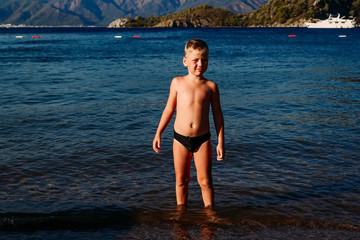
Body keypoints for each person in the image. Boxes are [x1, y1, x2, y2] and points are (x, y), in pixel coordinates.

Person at [153, 39, 224, 208]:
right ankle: (181, 216)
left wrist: (220, 142)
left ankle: (210, 216)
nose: (200, 64)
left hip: (203, 140)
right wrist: (158, 133)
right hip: (180, 140)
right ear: (185, 61)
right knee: (181, 180)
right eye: (196, 60)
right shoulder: (177, 82)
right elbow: (169, 109)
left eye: (204, 60)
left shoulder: (211, 87)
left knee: (205, 181)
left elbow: (218, 116)